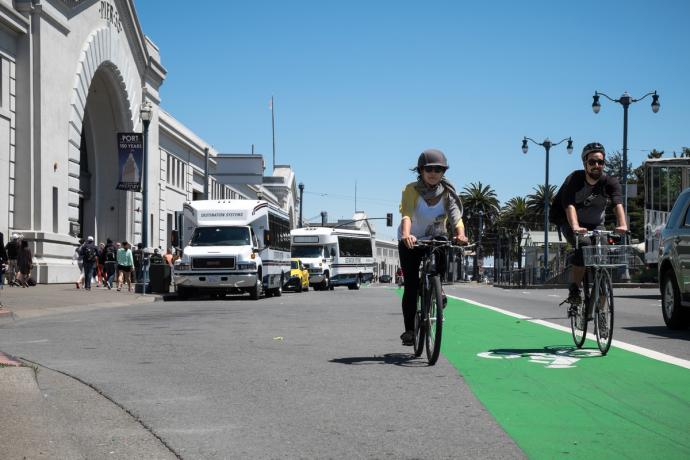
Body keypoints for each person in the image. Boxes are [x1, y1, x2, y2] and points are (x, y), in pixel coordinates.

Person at [397, 149, 468, 346]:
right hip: (411, 238)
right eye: (429, 169)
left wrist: (460, 234)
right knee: (411, 285)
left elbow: (456, 217)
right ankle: (410, 330)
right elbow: (407, 215)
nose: (433, 173)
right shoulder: (411, 190)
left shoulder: (448, 192)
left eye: (438, 169)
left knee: (443, 247)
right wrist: (406, 235)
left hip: (435, 237)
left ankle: (438, 288)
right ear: (420, 170)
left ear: (443, 172)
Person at [557, 142, 627, 308]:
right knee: (584, 245)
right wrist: (575, 226)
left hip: (596, 225)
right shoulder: (574, 179)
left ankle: (600, 313)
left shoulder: (610, 182)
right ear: (584, 163)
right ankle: (575, 290)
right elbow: (569, 205)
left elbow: (618, 204)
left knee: (603, 256)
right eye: (592, 162)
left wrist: (623, 224)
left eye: (600, 162)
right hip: (571, 222)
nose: (597, 165)